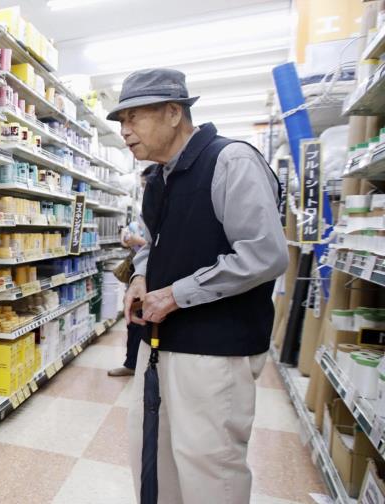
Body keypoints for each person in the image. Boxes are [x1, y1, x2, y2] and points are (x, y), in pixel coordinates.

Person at [106, 68, 288, 503]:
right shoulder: (158, 178)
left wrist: (176, 294)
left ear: (173, 112)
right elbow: (153, 241)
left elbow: (265, 253)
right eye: (120, 122)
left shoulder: (231, 161)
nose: (125, 131)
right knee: (154, 456)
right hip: (162, 343)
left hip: (215, 352)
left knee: (210, 469)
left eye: (133, 118)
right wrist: (141, 276)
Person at [108, 170, 149, 378]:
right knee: (133, 319)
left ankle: (142, 365)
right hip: (138, 271)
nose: (143, 189)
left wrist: (137, 241)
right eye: (141, 186)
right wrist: (128, 240)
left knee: (144, 319)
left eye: (145, 185)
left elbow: (156, 244)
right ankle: (132, 363)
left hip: (154, 274)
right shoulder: (145, 208)